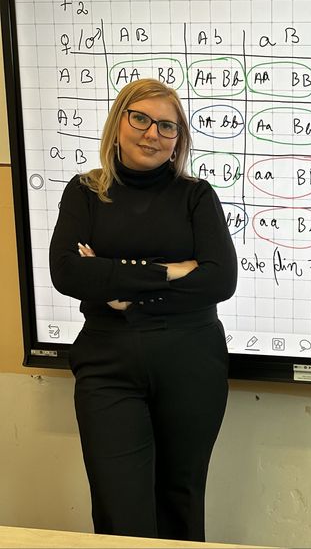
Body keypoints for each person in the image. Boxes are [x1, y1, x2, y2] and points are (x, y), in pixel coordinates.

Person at [49, 78, 237, 541]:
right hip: (107, 364)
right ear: (118, 124)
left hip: (191, 363)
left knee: (179, 502)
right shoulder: (85, 192)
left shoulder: (197, 196)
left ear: (178, 140)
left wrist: (113, 281)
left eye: (167, 126)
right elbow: (67, 272)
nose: (153, 133)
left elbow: (219, 280)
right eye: (141, 119)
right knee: (118, 510)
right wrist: (169, 272)